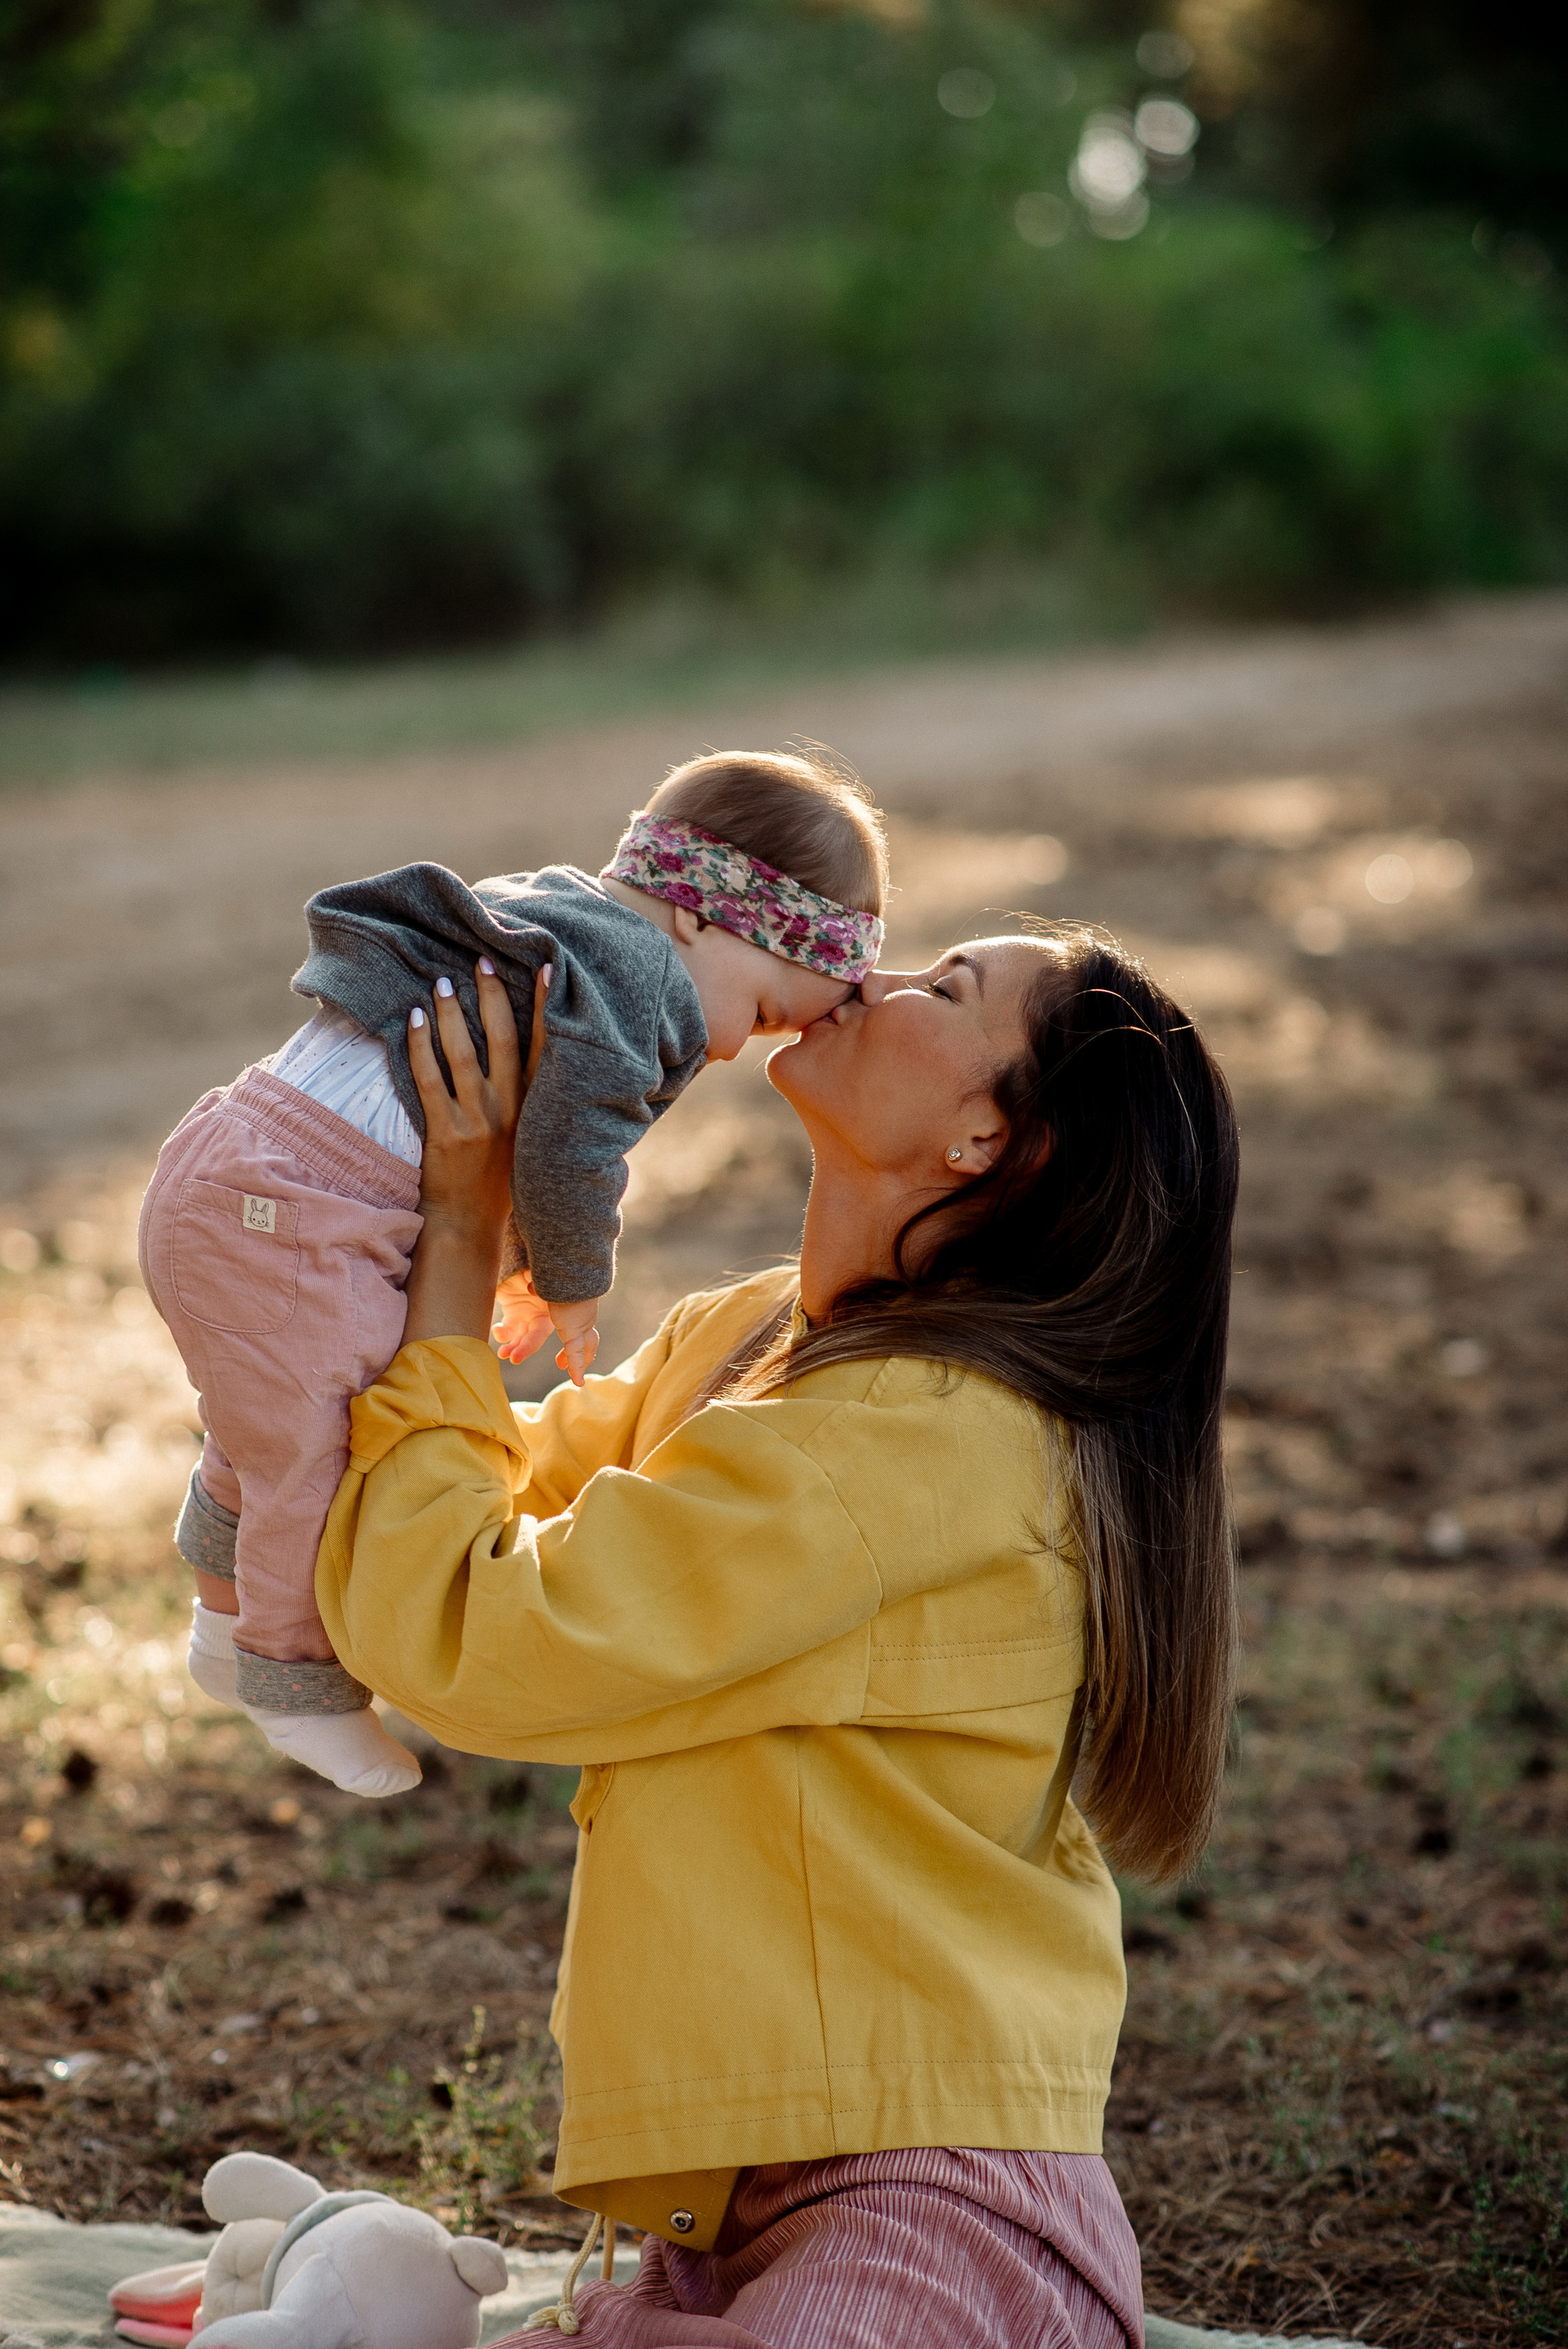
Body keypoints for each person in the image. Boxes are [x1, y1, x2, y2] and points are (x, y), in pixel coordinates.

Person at [316, 919, 1240, 2347]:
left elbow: (465, 1627)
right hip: (746, 2198)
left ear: (991, 1142)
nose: (873, 976)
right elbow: (467, 1487)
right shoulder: (762, 1341)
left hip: (923, 2198)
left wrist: (457, 1221)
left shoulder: (915, 1439)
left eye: (948, 988)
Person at [137, 751, 886, 1797]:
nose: (732, 1053)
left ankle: (227, 1626)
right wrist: (574, 1276)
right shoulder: (635, 982)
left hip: (238, 1165)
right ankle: (293, 1682)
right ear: (706, 916)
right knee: (322, 1446)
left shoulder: (556, 909)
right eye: (761, 1011)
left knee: (270, 1422)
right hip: (290, 1208)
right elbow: (572, 1146)